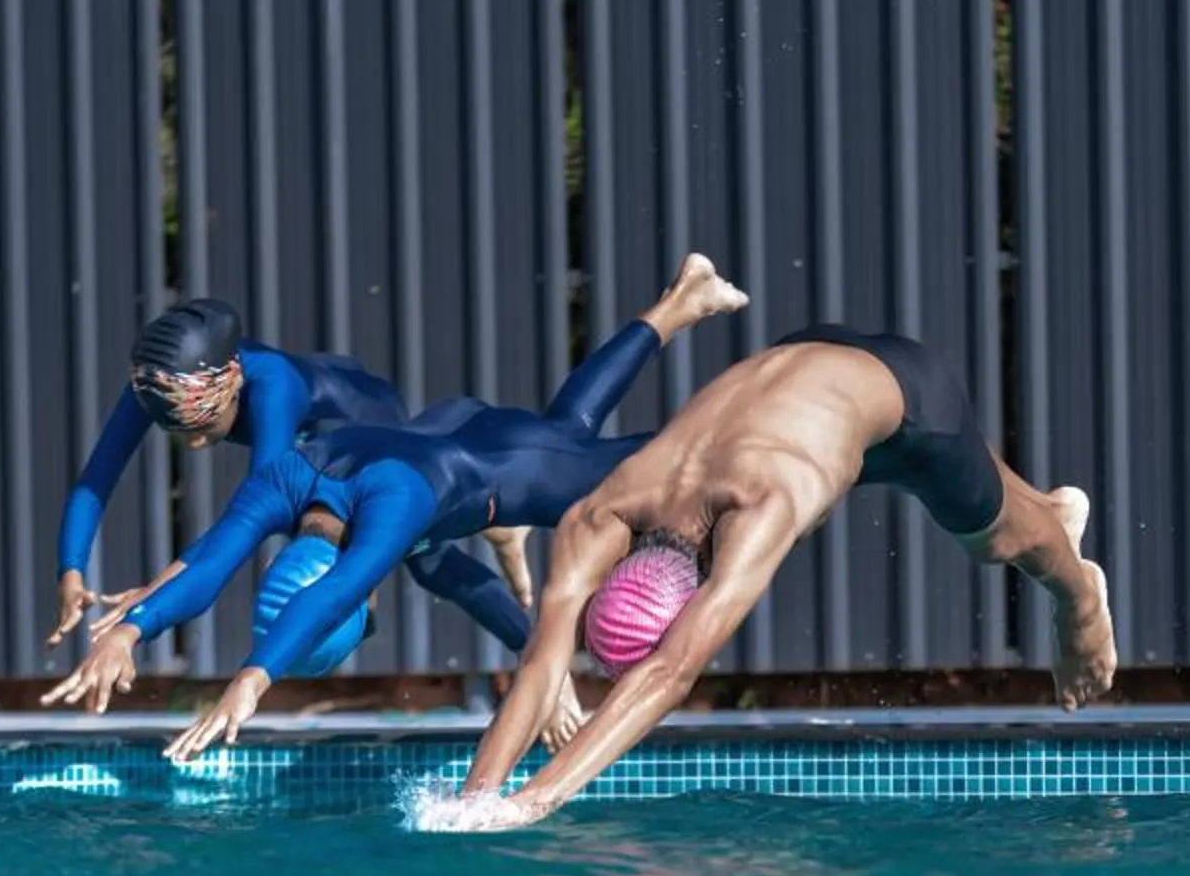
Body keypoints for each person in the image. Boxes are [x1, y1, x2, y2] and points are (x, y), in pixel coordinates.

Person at [426, 317, 1117, 830]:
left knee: (992, 540)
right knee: (963, 491)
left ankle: (1078, 594)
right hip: (807, 358)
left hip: (911, 404)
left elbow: (669, 673)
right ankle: (1046, 505)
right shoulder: (603, 510)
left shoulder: (759, 504)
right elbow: (543, 662)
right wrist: (476, 796)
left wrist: (536, 802)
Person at [44, 256, 748, 755]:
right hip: (441, 445)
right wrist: (130, 627)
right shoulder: (284, 481)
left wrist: (252, 682)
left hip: (507, 469)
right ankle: (679, 302)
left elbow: (337, 588)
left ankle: (730, 376)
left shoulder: (380, 499)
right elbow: (224, 560)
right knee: (559, 435)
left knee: (663, 463)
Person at [43, 298, 535, 646]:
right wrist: (71, 573)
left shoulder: (272, 388)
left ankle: (537, 658)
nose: (193, 442)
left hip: (362, 420)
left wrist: (154, 595)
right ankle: (498, 530)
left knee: (422, 557)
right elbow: (95, 479)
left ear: (232, 383)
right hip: (316, 413)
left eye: (201, 425)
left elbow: (253, 517)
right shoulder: (163, 385)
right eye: (176, 430)